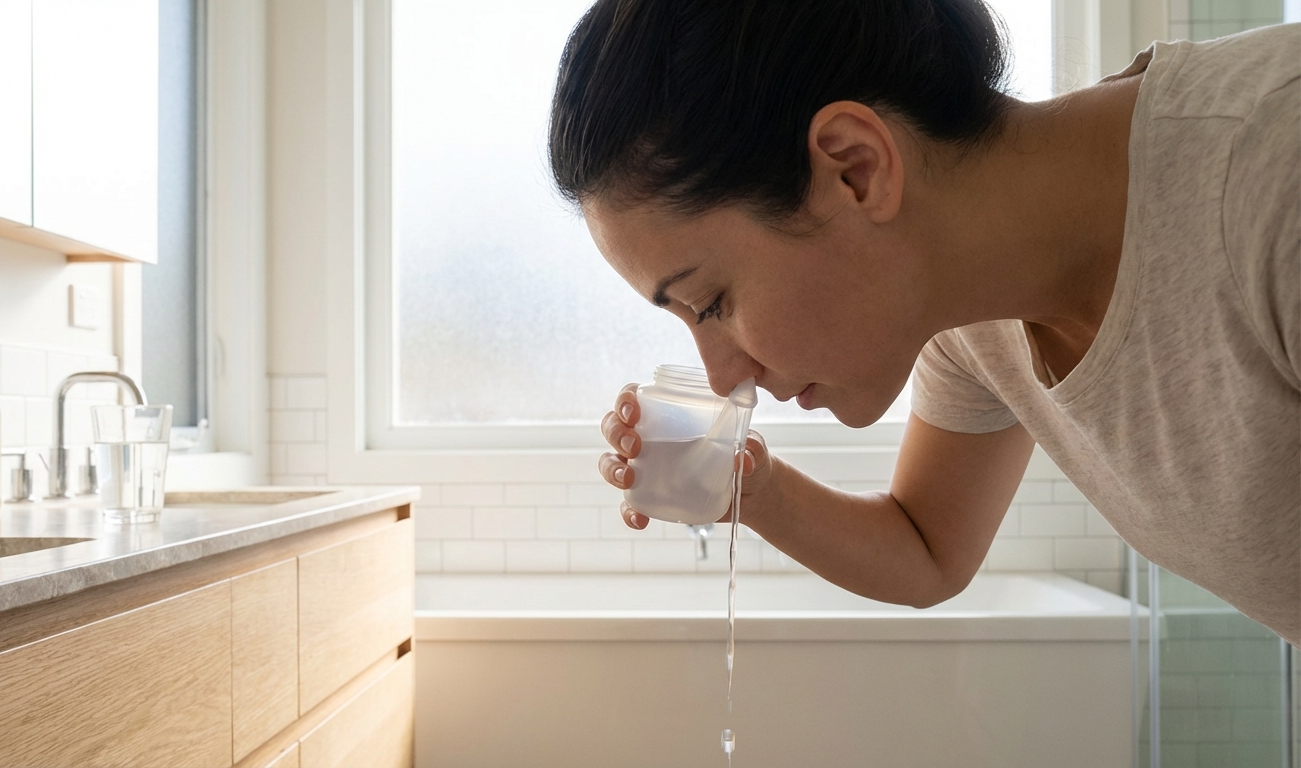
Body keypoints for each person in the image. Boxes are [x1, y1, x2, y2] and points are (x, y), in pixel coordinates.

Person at [547, 0, 1300, 643]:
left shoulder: (1273, 175)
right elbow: (928, 548)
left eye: (710, 304)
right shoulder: (969, 314)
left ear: (855, 168)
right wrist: (750, 488)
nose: (722, 374)